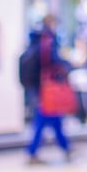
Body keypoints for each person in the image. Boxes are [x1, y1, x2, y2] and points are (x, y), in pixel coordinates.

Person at [19, 14, 73, 164]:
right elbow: (52, 61)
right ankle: (33, 152)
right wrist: (67, 65)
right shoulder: (48, 40)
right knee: (44, 118)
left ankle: (65, 147)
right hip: (45, 87)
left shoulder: (36, 38)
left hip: (38, 86)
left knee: (52, 118)